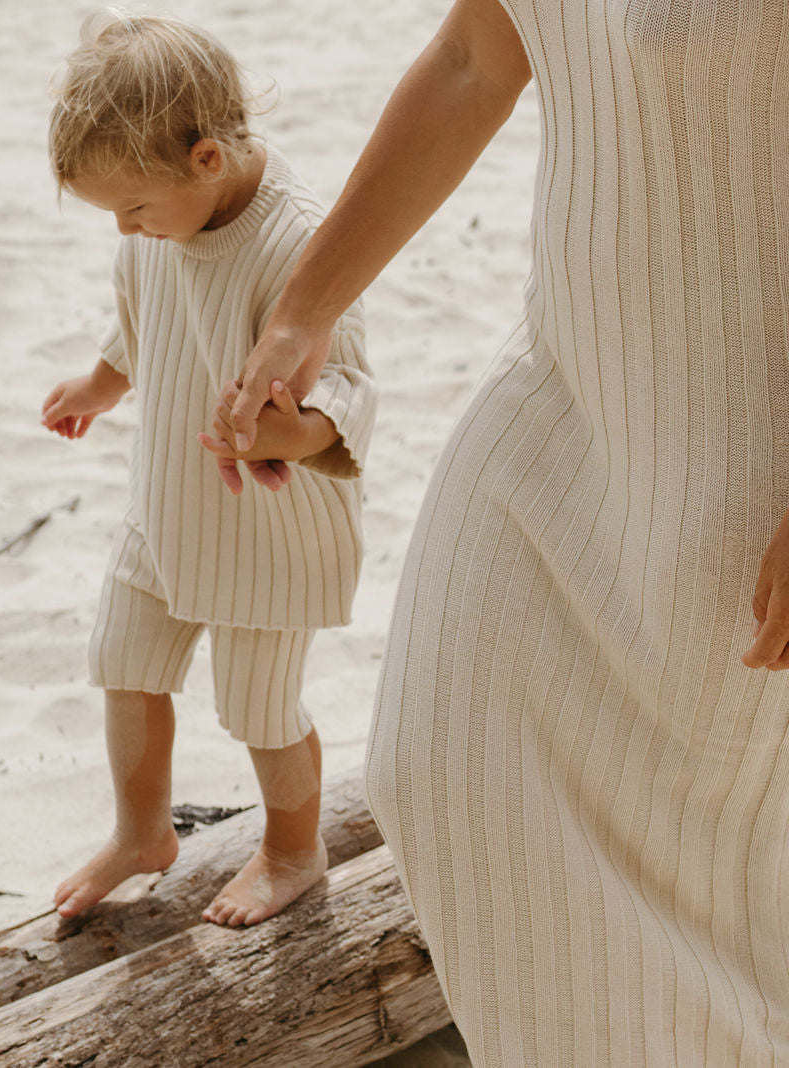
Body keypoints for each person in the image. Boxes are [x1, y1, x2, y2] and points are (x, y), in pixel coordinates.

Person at [212, 0, 789, 1062]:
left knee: (712, 886)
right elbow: (477, 56)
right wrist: (305, 309)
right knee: (436, 768)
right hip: (560, 392)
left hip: (750, 460)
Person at [41, 10, 375, 928]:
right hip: (167, 503)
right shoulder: (155, 230)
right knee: (125, 657)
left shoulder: (298, 241)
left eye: (133, 208)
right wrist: (102, 382)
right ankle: (142, 830)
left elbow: (350, 389)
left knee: (259, 705)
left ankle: (294, 849)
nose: (126, 229)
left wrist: (292, 435)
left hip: (270, 532)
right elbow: (140, 318)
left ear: (206, 161)